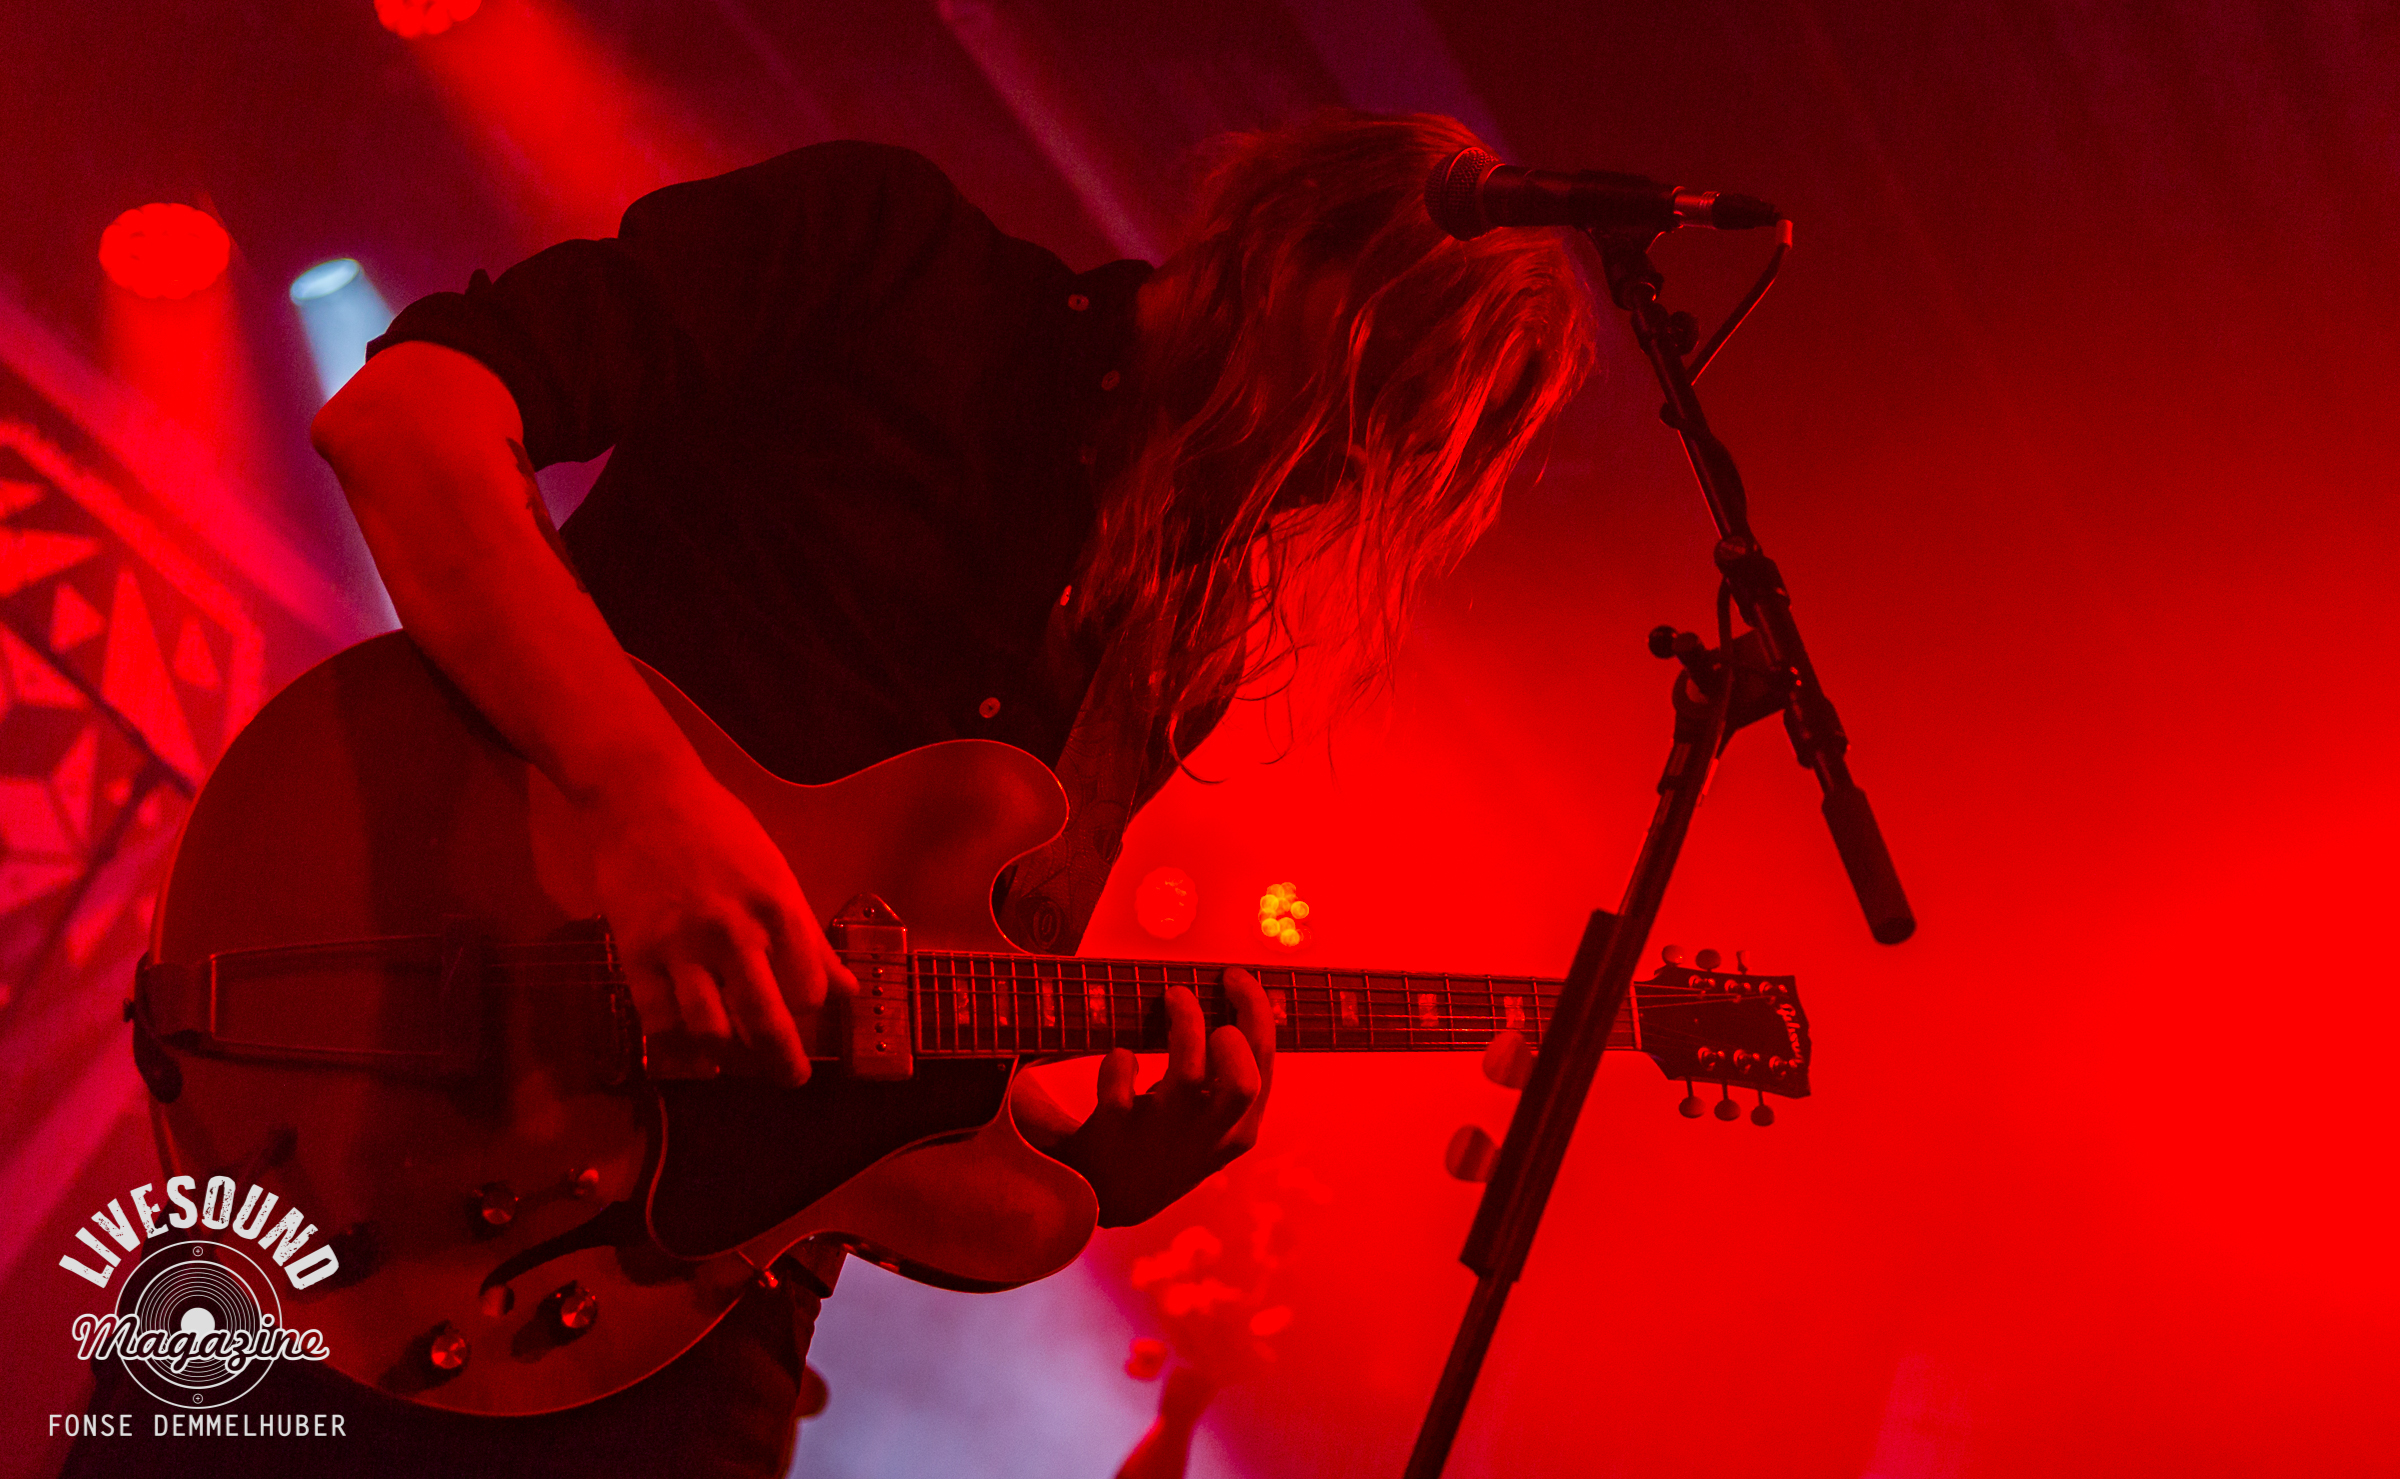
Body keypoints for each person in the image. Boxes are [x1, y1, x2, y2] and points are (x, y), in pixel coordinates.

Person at [68, 108, 1593, 1477]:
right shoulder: (892, 256)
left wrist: (1088, 1164)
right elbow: (405, 420)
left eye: (1397, 450)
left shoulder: (1171, 642)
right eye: (1368, 396)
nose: (1344, 472)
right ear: (1283, 249)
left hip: (680, 1319)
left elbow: (899, 1026)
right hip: (384, 1094)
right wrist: (646, 803)